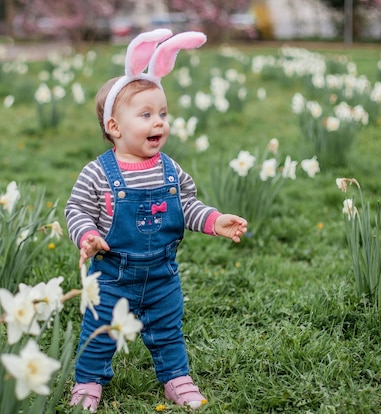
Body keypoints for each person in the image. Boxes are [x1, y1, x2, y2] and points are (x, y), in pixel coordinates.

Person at [64, 29, 248, 412]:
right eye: (146, 115)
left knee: (168, 331)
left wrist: (214, 221)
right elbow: (76, 210)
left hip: (162, 274)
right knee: (99, 333)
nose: (159, 122)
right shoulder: (98, 173)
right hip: (112, 276)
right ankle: (88, 381)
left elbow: (187, 206)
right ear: (114, 127)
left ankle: (176, 378)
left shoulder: (170, 170)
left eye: (163, 113)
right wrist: (87, 235)